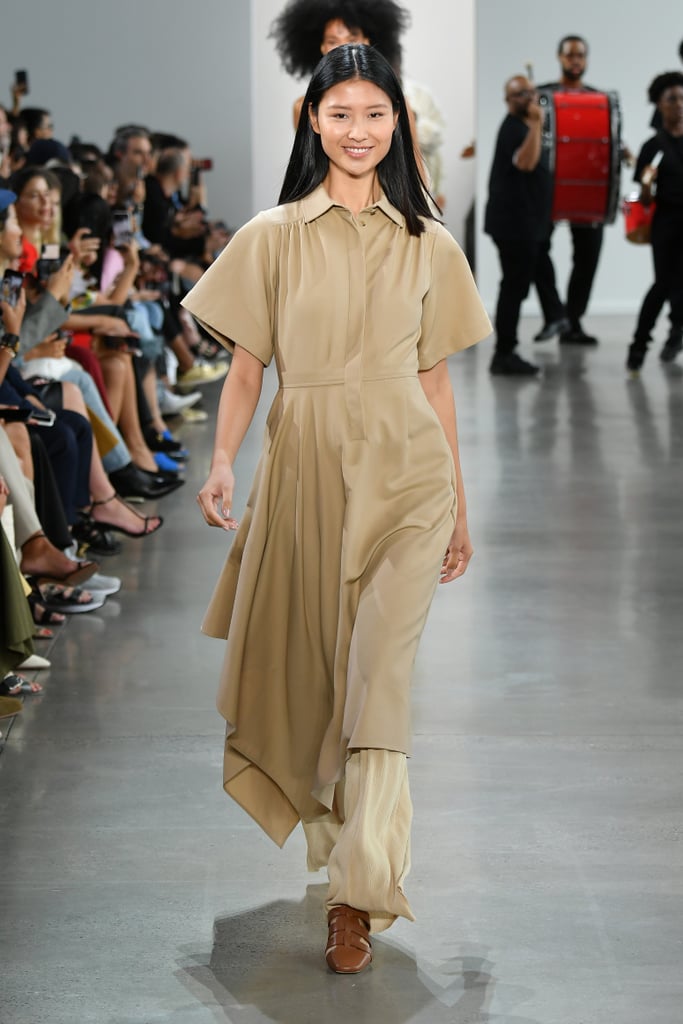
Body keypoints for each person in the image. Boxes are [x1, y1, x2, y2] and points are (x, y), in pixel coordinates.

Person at [182, 44, 491, 975]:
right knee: (320, 680)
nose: (359, 132)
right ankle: (339, 857)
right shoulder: (271, 237)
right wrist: (223, 461)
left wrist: (461, 509)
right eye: (341, 114)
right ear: (311, 122)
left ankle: (358, 897)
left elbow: (435, 383)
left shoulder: (427, 242)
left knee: (377, 687)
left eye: (376, 115)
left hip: (408, 483)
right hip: (307, 477)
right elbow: (245, 368)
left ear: (397, 125)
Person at [533, 35, 606, 346]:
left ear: (586, 60)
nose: (575, 61)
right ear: (560, 58)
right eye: (570, 55)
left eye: (580, 56)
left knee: (588, 256)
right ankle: (555, 314)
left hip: (586, 188)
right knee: (535, 247)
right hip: (547, 187)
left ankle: (573, 321)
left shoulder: (598, 99)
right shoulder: (543, 95)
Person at [484, 74, 552, 376]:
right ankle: (504, 353)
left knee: (517, 286)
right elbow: (525, 163)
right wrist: (538, 124)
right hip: (512, 224)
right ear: (508, 101)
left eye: (530, 92)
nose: (528, 98)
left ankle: (507, 350)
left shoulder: (522, 127)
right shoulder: (514, 129)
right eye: (520, 95)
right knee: (513, 287)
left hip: (523, 222)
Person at [627, 72, 683, 371]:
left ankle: (676, 334)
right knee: (663, 285)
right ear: (659, 105)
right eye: (672, 99)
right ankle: (638, 345)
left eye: (682, 98)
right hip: (666, 222)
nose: (679, 105)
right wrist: (648, 183)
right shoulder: (653, 146)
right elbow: (645, 200)